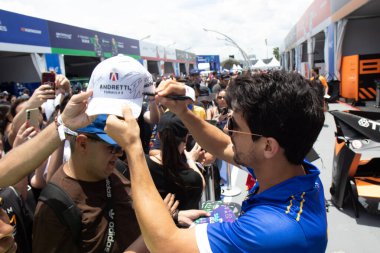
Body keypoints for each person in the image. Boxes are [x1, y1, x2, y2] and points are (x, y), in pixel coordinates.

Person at [105, 70, 328, 252]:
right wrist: (183, 111)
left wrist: (132, 147)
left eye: (235, 126)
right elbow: (223, 146)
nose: (227, 130)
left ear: (268, 146)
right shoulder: (288, 167)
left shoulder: (273, 230)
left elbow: (166, 245)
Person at [32, 115, 142, 252]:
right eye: (113, 147)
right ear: (83, 143)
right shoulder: (56, 206)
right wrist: (142, 244)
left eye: (121, 147)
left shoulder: (114, 169)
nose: (119, 154)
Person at [147, 112, 205, 210]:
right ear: (186, 138)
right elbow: (202, 184)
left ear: (159, 136)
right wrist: (190, 160)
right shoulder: (193, 178)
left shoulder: (144, 165)